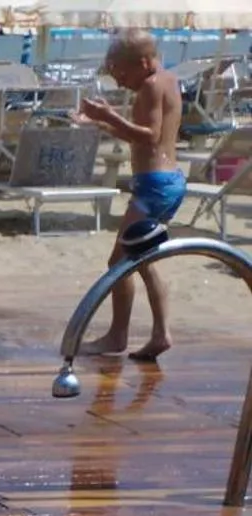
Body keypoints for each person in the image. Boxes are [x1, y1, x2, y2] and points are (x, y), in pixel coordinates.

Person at [78, 29, 183, 362]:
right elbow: (151, 137)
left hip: (154, 186)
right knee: (142, 258)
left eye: (122, 75)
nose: (121, 83)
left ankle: (117, 336)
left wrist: (109, 115)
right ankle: (160, 333)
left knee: (119, 262)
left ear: (143, 62)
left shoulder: (151, 86)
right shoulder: (169, 80)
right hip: (167, 181)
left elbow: (150, 136)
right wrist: (103, 125)